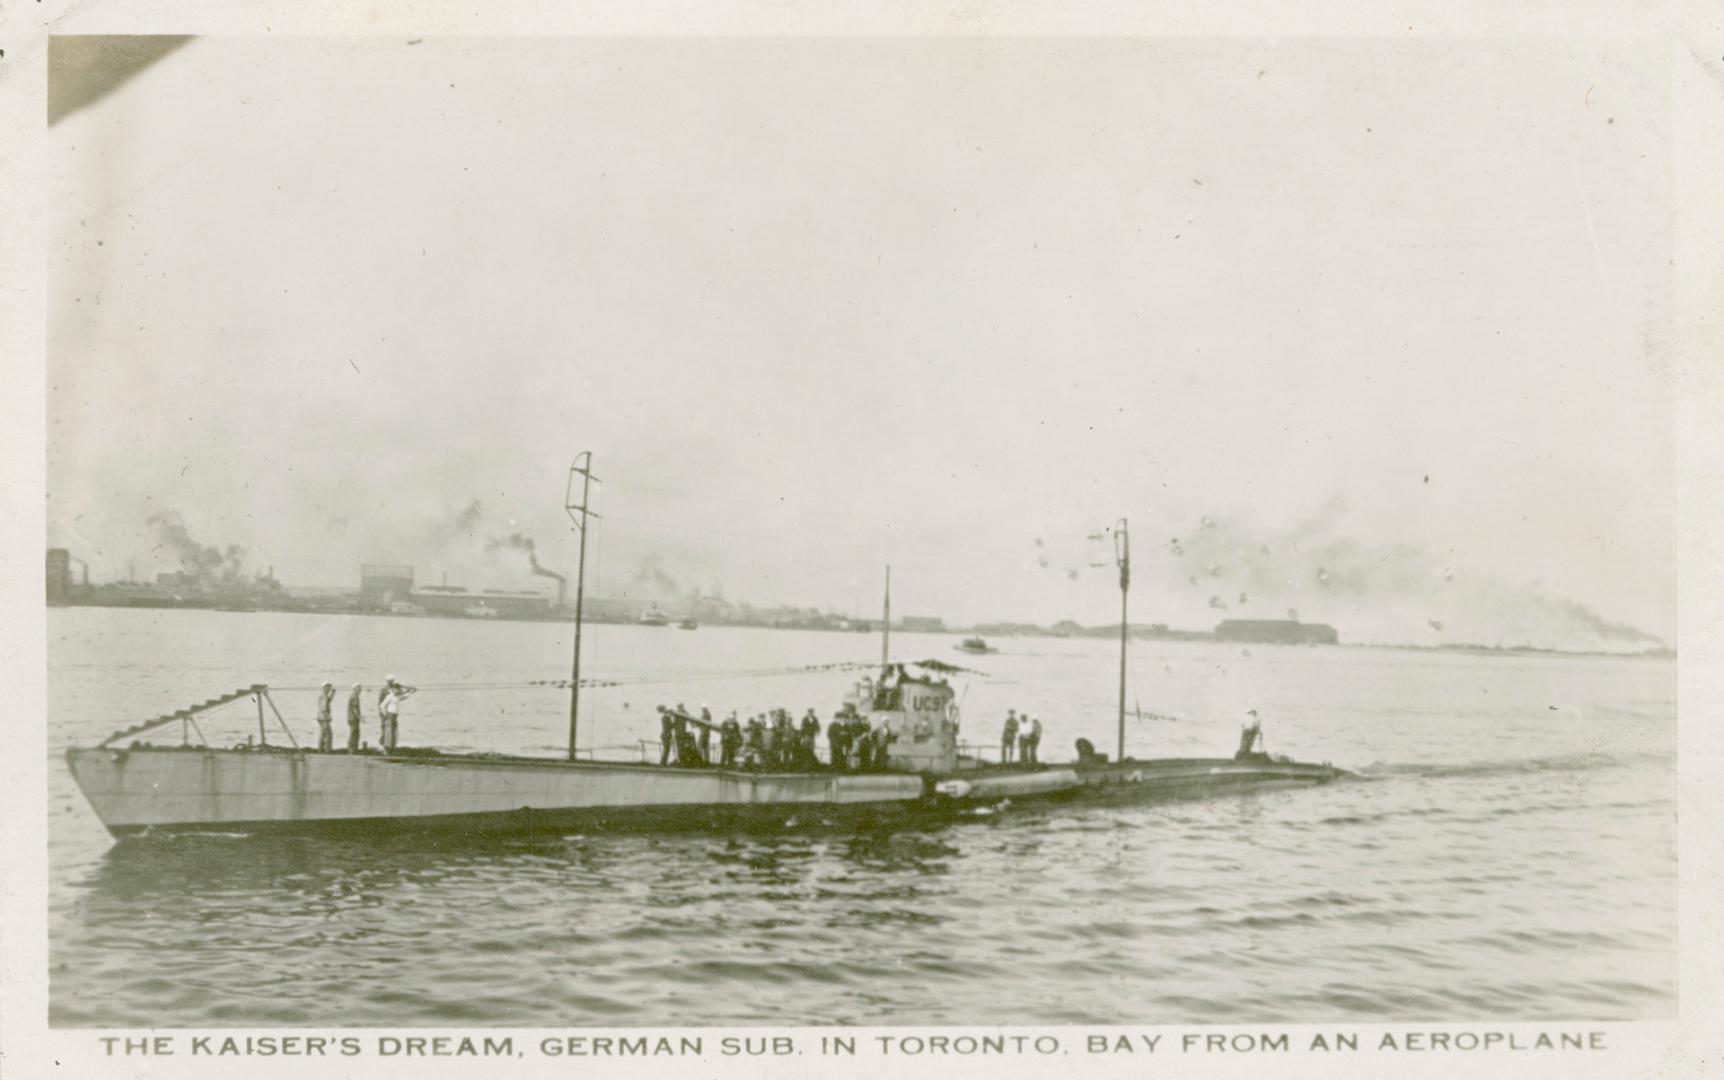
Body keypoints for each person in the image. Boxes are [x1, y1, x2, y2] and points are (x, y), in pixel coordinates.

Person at [379, 678, 413, 751]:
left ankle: (392, 747)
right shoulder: (390, 696)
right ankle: (387, 749)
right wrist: (385, 715)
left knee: (394, 732)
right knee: (389, 732)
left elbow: (405, 697)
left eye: (397, 689)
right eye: (395, 689)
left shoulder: (397, 697)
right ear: (393, 689)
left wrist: (411, 691)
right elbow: (382, 706)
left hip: (394, 716)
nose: (396, 691)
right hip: (390, 715)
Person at [315, 682, 336, 751]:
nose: (329, 689)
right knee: (328, 734)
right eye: (328, 688)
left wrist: (333, 693)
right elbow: (324, 709)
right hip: (324, 718)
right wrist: (328, 717)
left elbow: (328, 700)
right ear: (324, 688)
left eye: (329, 688)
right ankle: (327, 749)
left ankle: (320, 749)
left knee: (323, 733)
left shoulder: (324, 695)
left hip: (321, 717)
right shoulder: (324, 696)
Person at [345, 683, 363, 751]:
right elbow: (355, 708)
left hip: (351, 717)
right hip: (354, 718)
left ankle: (353, 748)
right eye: (359, 689)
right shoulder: (354, 697)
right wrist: (360, 717)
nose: (360, 690)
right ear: (355, 689)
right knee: (354, 733)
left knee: (354, 732)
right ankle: (352, 748)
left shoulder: (353, 696)